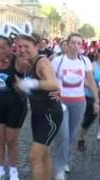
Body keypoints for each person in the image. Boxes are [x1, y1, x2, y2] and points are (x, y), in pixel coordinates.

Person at [15, 31, 63, 180]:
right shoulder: (30, 62)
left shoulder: (41, 61)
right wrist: (23, 86)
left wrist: (32, 83)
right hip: (38, 114)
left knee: (34, 156)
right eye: (20, 46)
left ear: (37, 45)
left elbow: (54, 83)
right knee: (44, 153)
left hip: (49, 114)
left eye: (26, 46)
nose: (22, 49)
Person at [52, 33, 99, 180]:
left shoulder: (85, 61)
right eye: (73, 42)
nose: (76, 46)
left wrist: (97, 100)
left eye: (79, 43)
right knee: (63, 134)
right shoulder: (58, 61)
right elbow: (51, 80)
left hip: (79, 102)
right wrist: (53, 92)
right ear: (67, 44)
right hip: (61, 103)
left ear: (81, 46)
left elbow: (90, 81)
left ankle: (64, 160)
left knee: (71, 135)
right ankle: (59, 168)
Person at [0, 30, 27, 180]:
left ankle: (13, 171)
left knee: (11, 140)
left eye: (2, 47)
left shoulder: (18, 61)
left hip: (16, 105)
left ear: (10, 47)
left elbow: (34, 68)